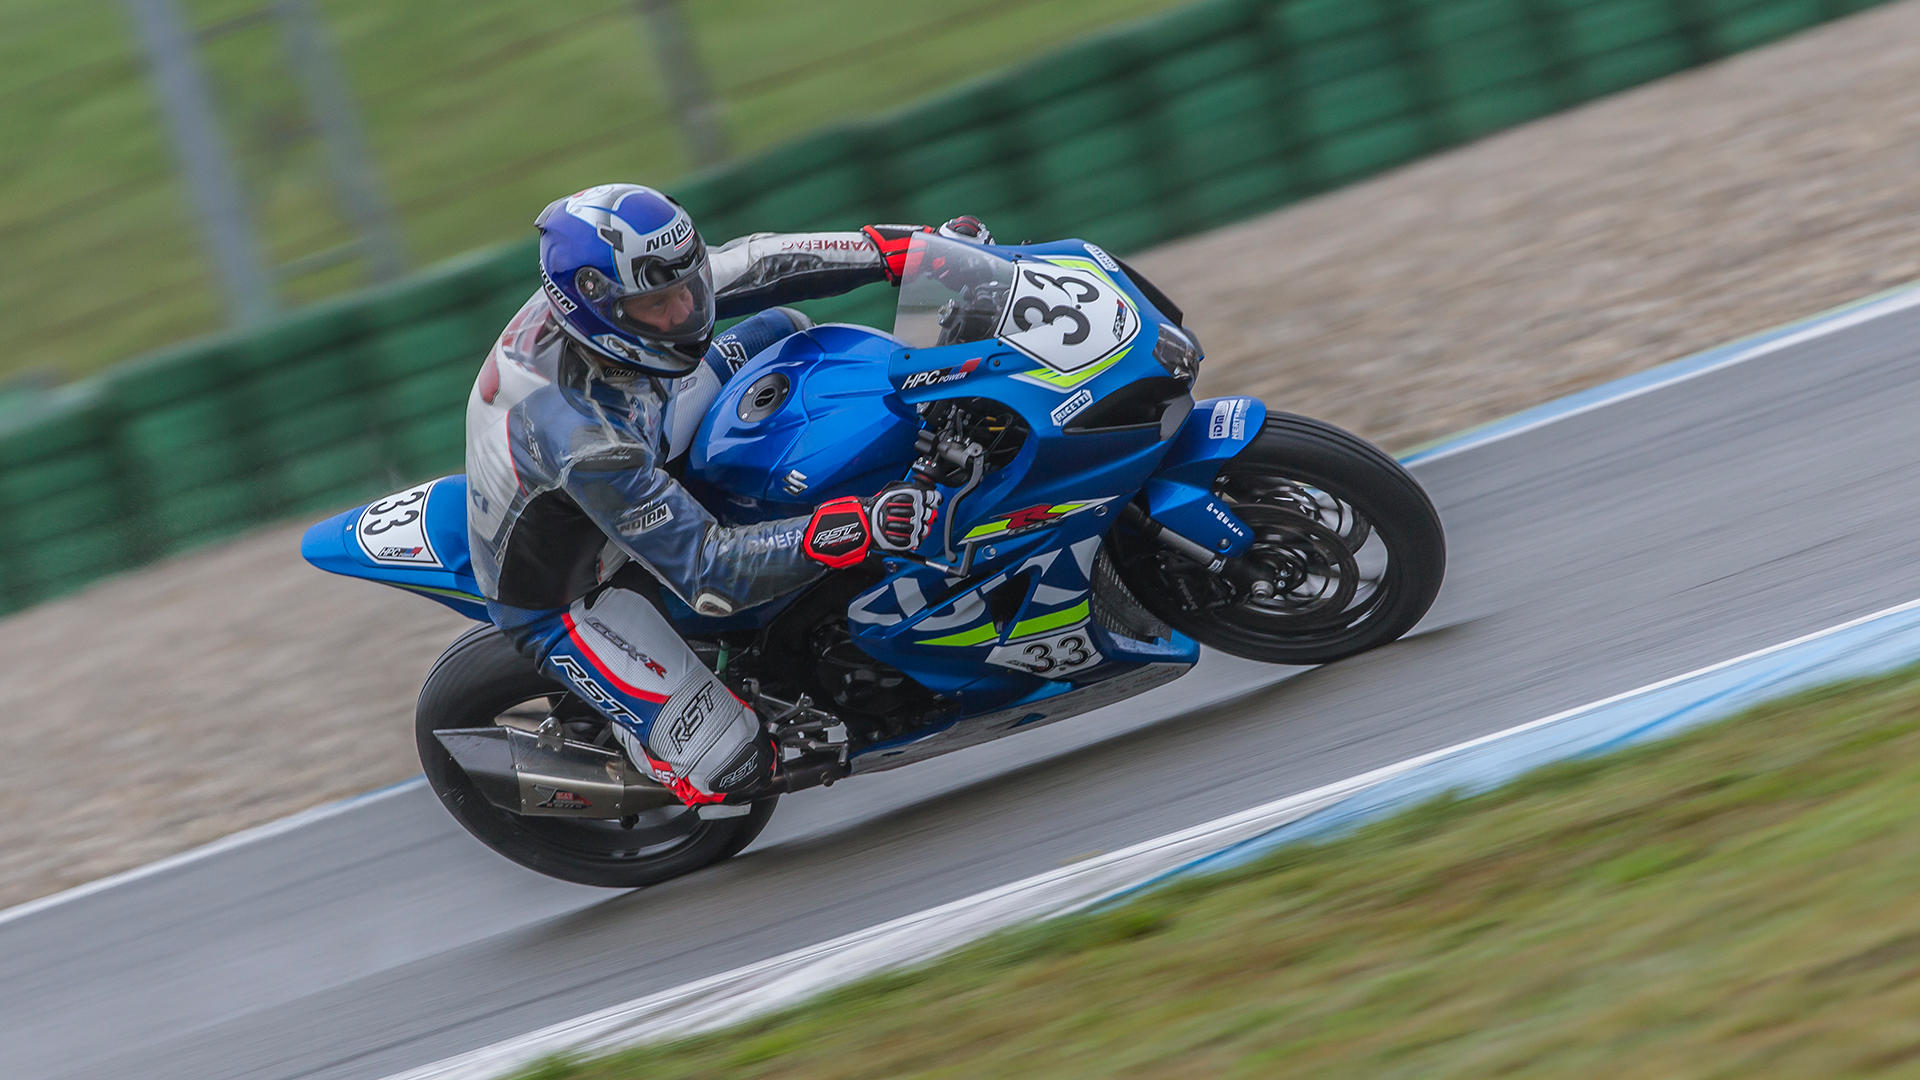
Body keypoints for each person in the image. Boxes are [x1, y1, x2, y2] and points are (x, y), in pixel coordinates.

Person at [465, 182, 990, 806]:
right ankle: (649, 754)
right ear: (601, 311)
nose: (685, 312)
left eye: (687, 288)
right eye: (661, 304)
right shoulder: (583, 438)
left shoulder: (628, 291)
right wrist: (857, 526)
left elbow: (765, 263)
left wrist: (912, 252)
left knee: (787, 332)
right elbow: (710, 573)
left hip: (645, 420)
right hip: (571, 588)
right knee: (735, 766)